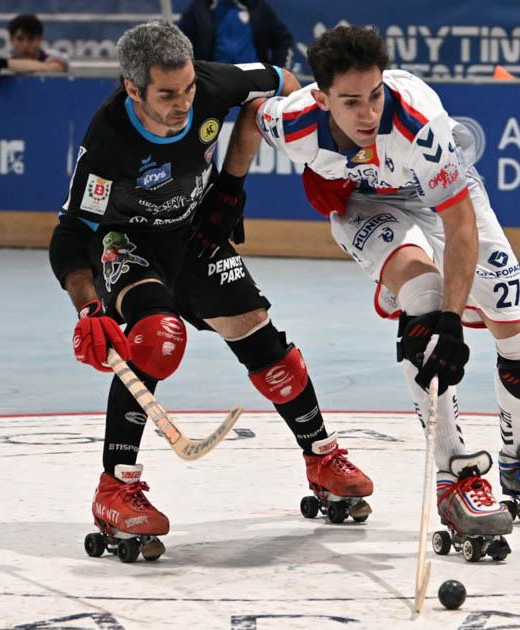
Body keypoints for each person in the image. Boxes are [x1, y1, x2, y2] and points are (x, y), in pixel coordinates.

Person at [254, 25, 520, 558]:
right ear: (320, 99)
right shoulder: (292, 120)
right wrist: (225, 191)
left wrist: (456, 322)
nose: (367, 114)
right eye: (351, 101)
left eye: (376, 94)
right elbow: (253, 114)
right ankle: (454, 477)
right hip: (367, 206)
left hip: (444, 199)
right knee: (424, 299)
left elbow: (458, 226)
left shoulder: (417, 123)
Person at [49, 19, 374, 563]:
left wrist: (235, 182)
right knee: (156, 338)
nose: (184, 103)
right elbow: (71, 233)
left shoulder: (213, 83)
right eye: (167, 94)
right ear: (133, 90)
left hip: (196, 233)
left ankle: (322, 458)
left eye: (189, 89)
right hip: (127, 244)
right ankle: (115, 489)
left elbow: (284, 86)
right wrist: (88, 308)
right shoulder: (108, 142)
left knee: (267, 345)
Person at [178, 0, 294, 68]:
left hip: (256, 83)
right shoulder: (199, 9)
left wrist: (279, 72)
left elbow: (284, 40)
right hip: (213, 84)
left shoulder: (258, 7)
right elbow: (181, 46)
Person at [0, 14, 67, 94]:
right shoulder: (2, 67)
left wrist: (4, 63)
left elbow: (54, 68)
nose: (26, 45)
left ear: (41, 39)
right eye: (20, 39)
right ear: (11, 40)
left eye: (31, 39)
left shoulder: (53, 58)